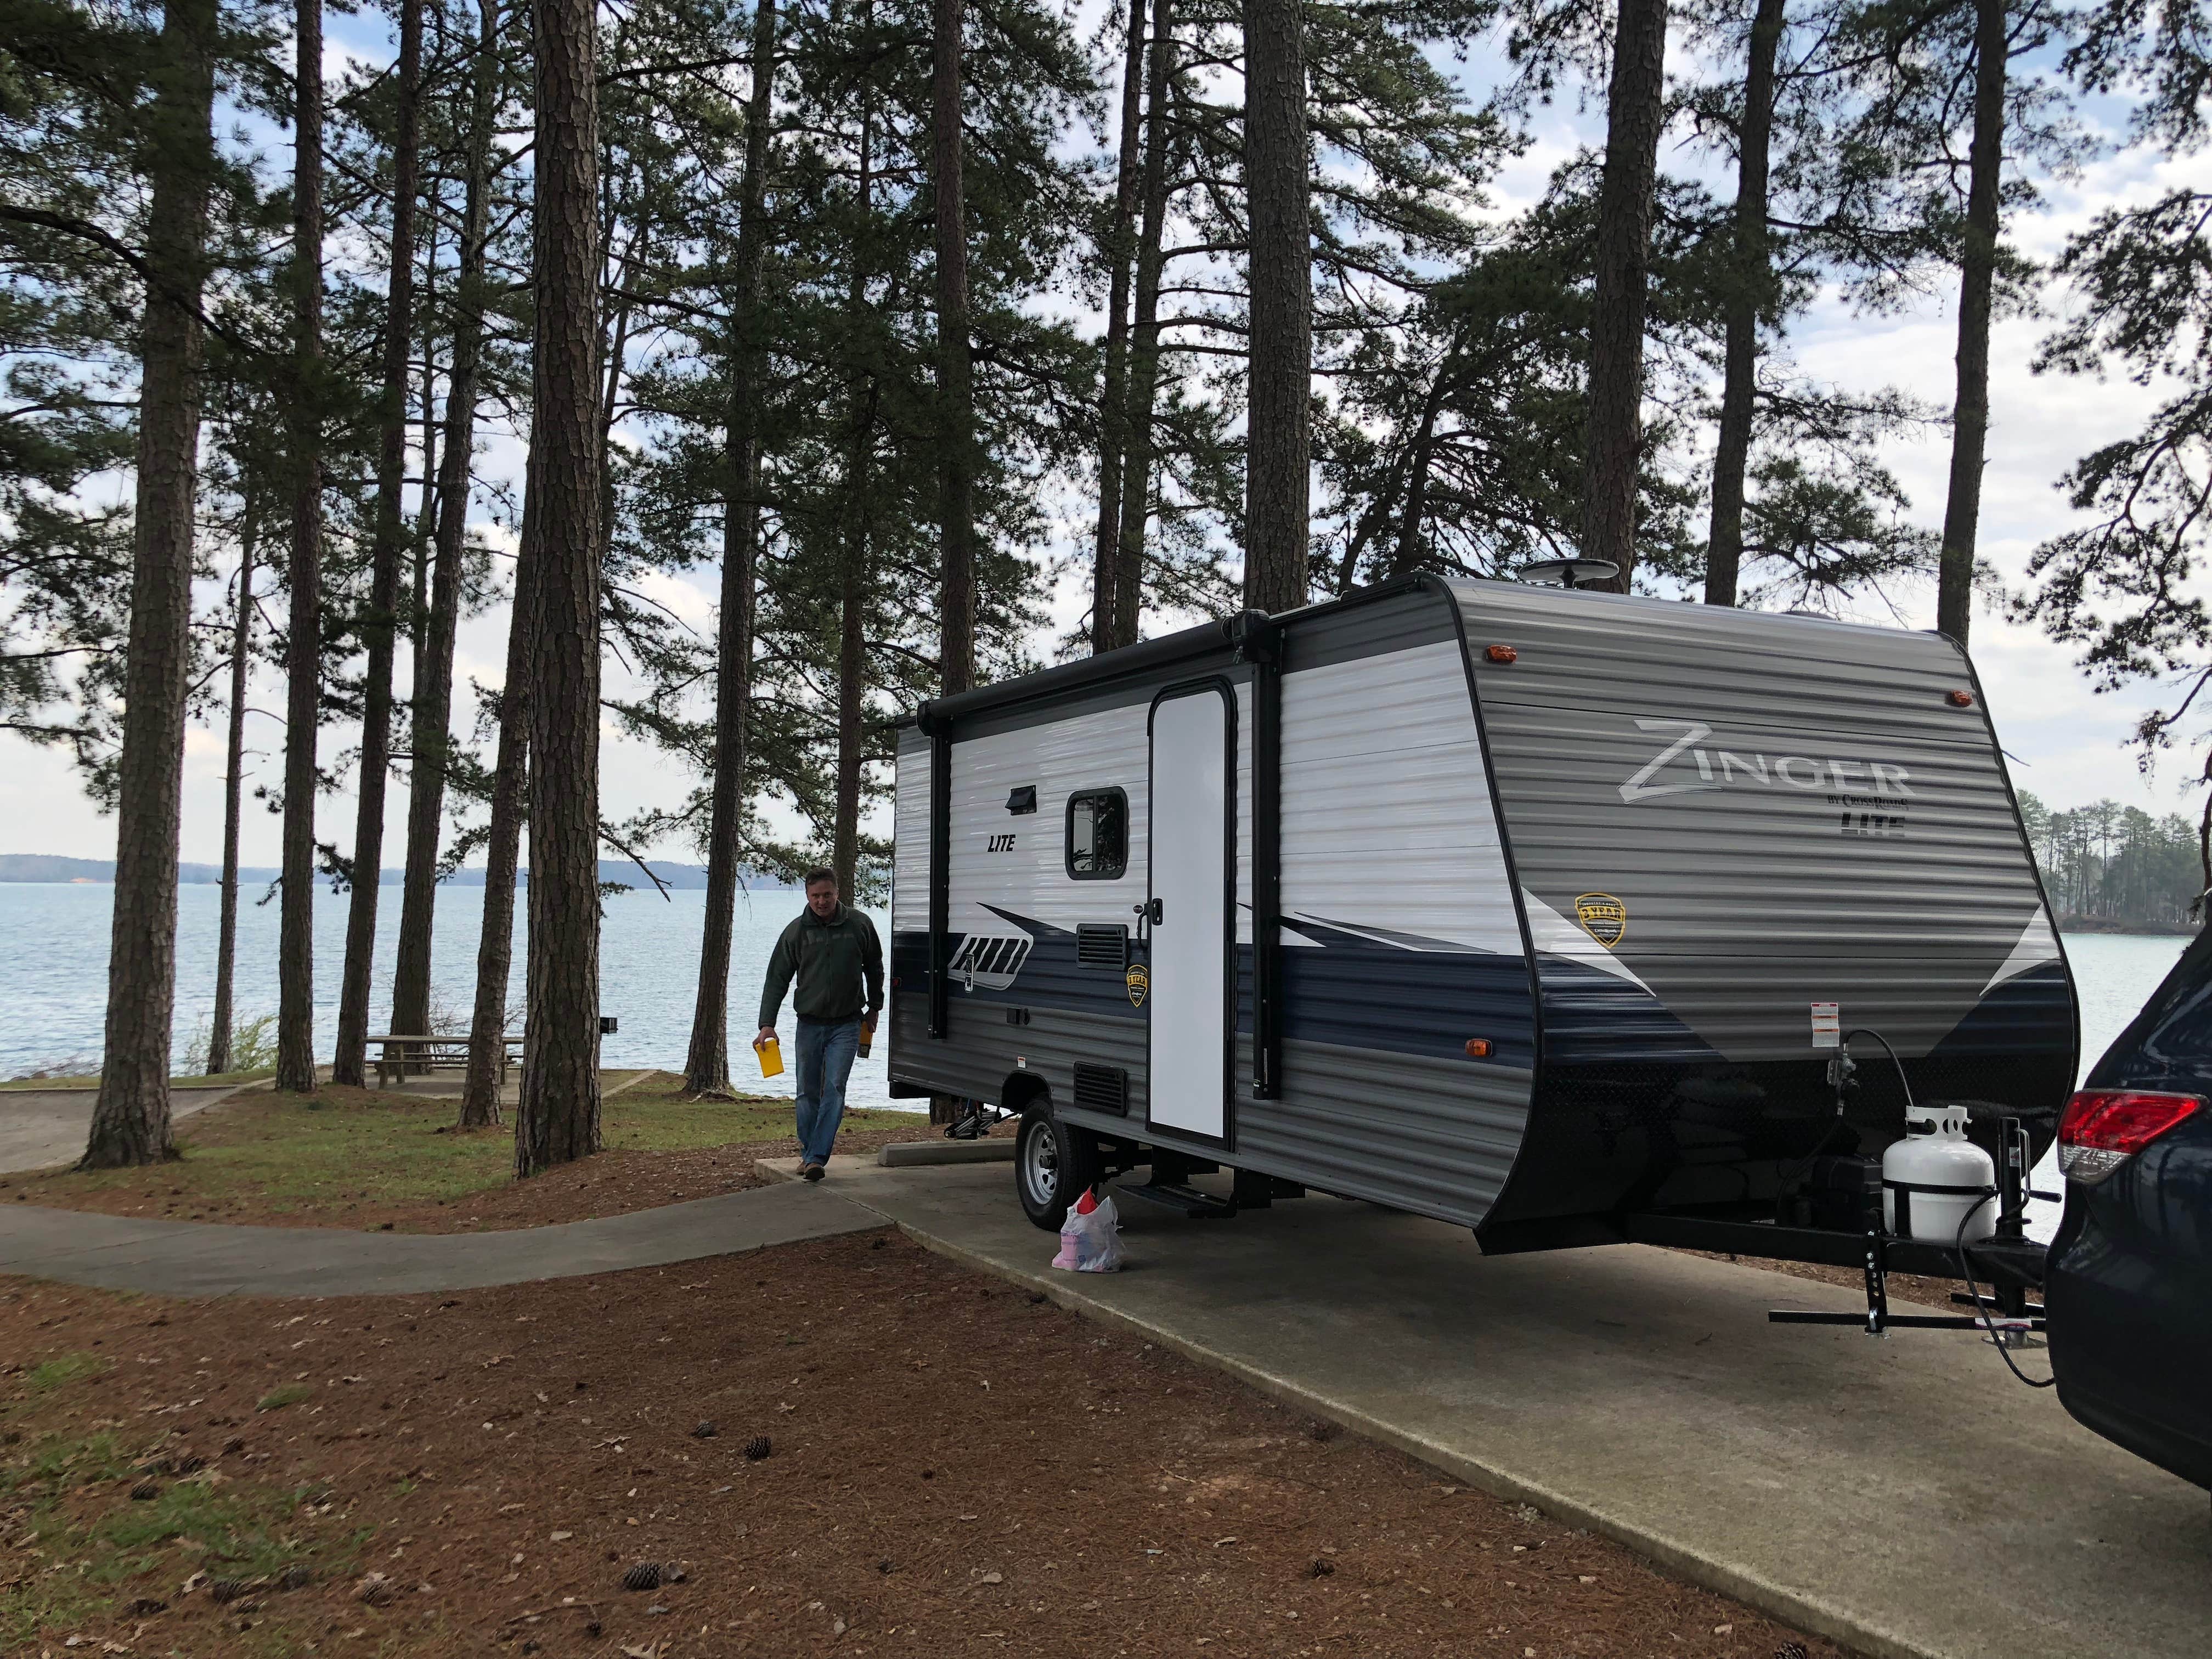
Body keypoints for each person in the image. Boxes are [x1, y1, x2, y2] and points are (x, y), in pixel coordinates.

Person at [757, 867, 883, 1181]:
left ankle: (815, 1158)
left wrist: (876, 1008)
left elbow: (876, 968)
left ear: (837, 893)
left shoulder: (859, 924)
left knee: (835, 1089)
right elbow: (777, 979)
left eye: (827, 894)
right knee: (806, 1093)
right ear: (807, 896)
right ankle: (809, 1151)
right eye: (815, 896)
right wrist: (766, 1024)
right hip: (809, 1025)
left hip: (848, 1024)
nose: (822, 901)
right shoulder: (797, 931)